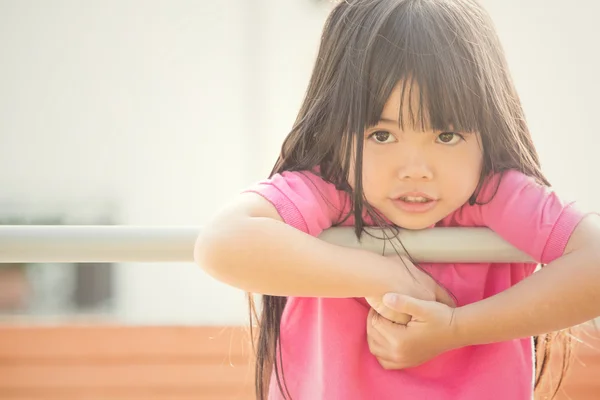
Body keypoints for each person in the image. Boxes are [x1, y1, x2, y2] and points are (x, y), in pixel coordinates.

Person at [194, 0, 600, 399]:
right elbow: (220, 243)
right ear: (336, 129)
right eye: (382, 135)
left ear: (487, 131)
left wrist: (457, 328)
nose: (415, 169)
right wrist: (385, 277)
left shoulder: (494, 193)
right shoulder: (329, 188)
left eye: (446, 136)